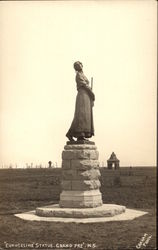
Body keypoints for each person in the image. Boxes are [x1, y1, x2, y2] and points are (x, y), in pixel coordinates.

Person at [66, 61, 95, 141]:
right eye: (77, 66)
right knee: (80, 116)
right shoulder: (78, 75)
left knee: (85, 116)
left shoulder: (83, 75)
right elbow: (84, 85)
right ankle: (73, 133)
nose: (79, 66)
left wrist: (90, 93)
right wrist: (91, 92)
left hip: (86, 96)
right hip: (82, 95)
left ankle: (81, 135)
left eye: (79, 64)